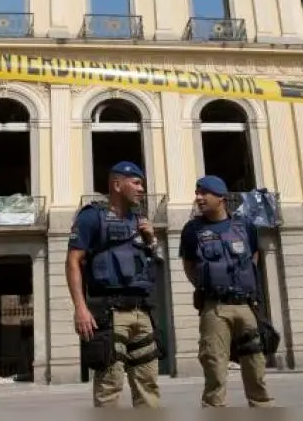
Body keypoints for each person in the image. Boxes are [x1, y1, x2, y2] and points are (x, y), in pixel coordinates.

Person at [66, 161, 164, 408]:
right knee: (110, 385)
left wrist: (151, 241)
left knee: (148, 383)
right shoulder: (91, 217)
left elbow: (151, 265)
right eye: (136, 183)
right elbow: (73, 262)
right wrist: (80, 308)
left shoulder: (139, 221)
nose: (141, 189)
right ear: (117, 185)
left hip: (142, 312)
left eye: (142, 184)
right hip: (110, 313)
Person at [179, 175, 275, 408]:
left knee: (255, 367)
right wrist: (209, 285)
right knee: (214, 367)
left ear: (220, 197)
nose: (198, 198)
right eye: (197, 193)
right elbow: (189, 266)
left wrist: (242, 284)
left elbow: (253, 257)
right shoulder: (192, 230)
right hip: (214, 308)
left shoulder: (245, 226)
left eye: (204, 193)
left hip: (245, 306)